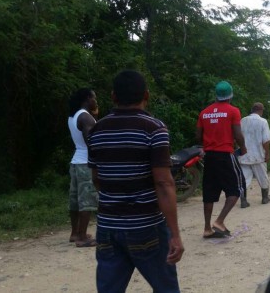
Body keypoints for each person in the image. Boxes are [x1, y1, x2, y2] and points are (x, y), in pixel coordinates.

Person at [88, 70, 184, 292]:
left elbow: (97, 178)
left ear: (113, 96)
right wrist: (175, 235)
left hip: (108, 228)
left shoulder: (97, 130)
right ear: (146, 96)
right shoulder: (154, 129)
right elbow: (164, 183)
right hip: (146, 226)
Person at [196, 81, 247, 235]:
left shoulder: (204, 112)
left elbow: (198, 136)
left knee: (209, 192)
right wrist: (243, 148)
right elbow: (237, 134)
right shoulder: (233, 111)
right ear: (230, 95)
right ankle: (219, 222)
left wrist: (203, 146)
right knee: (237, 188)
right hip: (225, 155)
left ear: (216, 95)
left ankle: (206, 229)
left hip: (209, 157)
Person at [67, 88, 98, 248]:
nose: (95, 101)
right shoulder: (86, 117)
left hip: (75, 161)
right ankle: (82, 237)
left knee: (75, 200)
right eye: (94, 98)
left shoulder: (73, 116)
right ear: (87, 99)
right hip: (86, 162)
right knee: (87, 200)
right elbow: (91, 142)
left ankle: (75, 232)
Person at [238, 103, 270, 206]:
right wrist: (267, 153)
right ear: (261, 110)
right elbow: (266, 140)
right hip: (258, 155)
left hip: (244, 155)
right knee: (263, 177)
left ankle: (243, 201)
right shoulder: (263, 121)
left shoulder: (243, 120)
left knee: (244, 179)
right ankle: (265, 198)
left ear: (252, 109)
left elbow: (237, 137)